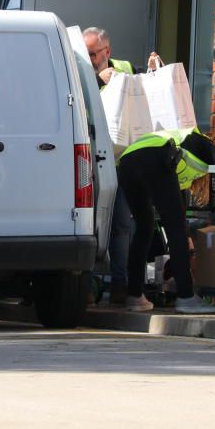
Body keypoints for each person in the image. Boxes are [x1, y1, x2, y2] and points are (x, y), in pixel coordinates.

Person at [116, 127, 215, 314]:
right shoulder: (204, 143)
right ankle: (186, 297)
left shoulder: (184, 156)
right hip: (156, 155)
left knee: (144, 227)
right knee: (174, 227)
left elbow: (179, 208)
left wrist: (187, 236)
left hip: (126, 162)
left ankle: (134, 296)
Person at [81, 26, 152, 304]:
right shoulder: (80, 71)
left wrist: (151, 70)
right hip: (91, 160)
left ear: (107, 51)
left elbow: (145, 91)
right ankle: (85, 285)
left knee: (122, 225)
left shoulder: (124, 68)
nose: (89, 59)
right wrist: (97, 79)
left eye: (93, 54)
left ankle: (119, 286)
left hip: (120, 159)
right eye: (86, 54)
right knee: (89, 225)